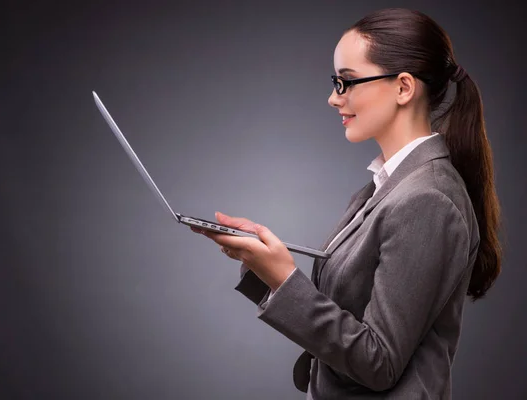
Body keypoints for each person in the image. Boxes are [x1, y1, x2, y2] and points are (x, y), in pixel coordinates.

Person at [191, 7, 501, 399]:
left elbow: (378, 362)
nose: (333, 99)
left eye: (347, 82)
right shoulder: (385, 187)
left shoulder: (428, 199)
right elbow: (347, 315)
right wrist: (263, 266)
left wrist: (285, 279)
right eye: (335, 82)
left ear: (404, 88)